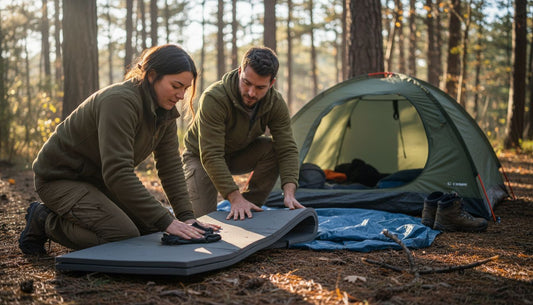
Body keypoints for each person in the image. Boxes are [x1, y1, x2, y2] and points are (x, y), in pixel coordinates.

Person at [19, 44, 219, 256]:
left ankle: (76, 215)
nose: (181, 95)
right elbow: (118, 172)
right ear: (152, 76)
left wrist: (186, 217)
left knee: (151, 228)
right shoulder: (120, 101)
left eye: (185, 89)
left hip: (98, 182)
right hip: (60, 179)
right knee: (122, 236)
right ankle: (44, 220)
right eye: (176, 86)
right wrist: (166, 220)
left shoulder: (165, 111)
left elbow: (170, 167)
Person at [183, 46, 304, 220]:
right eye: (246, 82)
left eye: (260, 87)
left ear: (271, 83)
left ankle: (248, 208)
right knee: (202, 222)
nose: (251, 93)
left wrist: (289, 192)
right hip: (200, 157)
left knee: (273, 148)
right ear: (240, 72)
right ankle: (237, 204)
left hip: (238, 153)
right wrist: (234, 197)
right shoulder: (214, 98)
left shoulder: (276, 103)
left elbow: (287, 148)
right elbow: (211, 154)